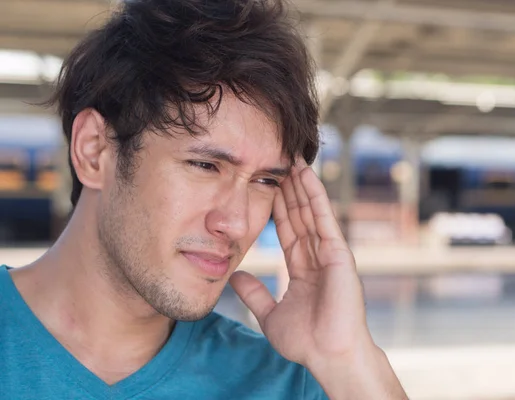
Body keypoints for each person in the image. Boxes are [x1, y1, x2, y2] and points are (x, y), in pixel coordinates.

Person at [0, 0, 408, 399]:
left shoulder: (291, 383)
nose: (238, 223)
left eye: (265, 180)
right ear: (95, 150)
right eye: (205, 166)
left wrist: (349, 361)